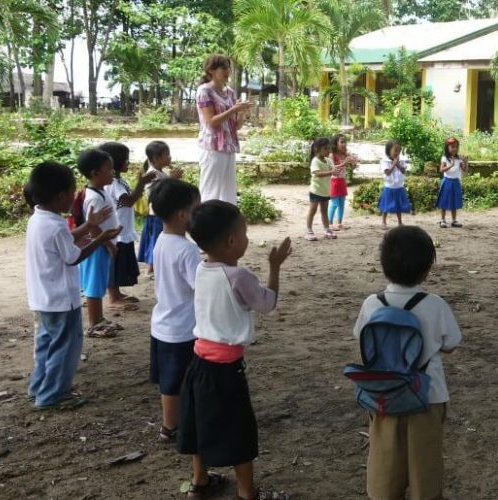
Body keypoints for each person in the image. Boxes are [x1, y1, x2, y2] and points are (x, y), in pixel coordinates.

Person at [178, 201, 292, 500]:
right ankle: (246, 492)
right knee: (240, 431)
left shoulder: (202, 269)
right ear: (231, 241)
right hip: (226, 370)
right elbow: (267, 304)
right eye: (244, 232)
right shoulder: (238, 276)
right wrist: (275, 267)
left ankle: (199, 482)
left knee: (200, 423)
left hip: (199, 362)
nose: (247, 237)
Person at [352, 226, 462, 500]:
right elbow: (451, 344)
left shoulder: (371, 303)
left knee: (385, 460)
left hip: (383, 396)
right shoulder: (435, 304)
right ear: (427, 269)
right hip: (428, 395)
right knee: (425, 463)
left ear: (384, 266)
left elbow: (361, 339)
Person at [24, 161, 120, 410]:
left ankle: (39, 387)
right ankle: (53, 395)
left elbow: (65, 240)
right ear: (59, 196)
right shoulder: (55, 225)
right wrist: (99, 239)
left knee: (47, 343)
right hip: (61, 300)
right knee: (65, 348)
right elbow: (73, 256)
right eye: (72, 192)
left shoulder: (39, 219)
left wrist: (88, 226)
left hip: (43, 298)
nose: (74, 198)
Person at [147, 179, 201, 446]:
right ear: (182, 215)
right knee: (177, 382)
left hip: (163, 324)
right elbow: (200, 287)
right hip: (182, 329)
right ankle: (172, 427)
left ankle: (171, 424)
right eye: (196, 209)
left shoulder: (163, 239)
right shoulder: (187, 250)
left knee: (168, 381)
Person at [99, 141, 156, 310]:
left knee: (118, 265)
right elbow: (129, 201)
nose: (128, 163)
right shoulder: (114, 184)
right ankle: (113, 297)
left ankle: (116, 293)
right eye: (125, 160)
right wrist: (142, 183)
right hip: (117, 232)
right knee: (115, 265)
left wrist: (142, 183)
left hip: (123, 229)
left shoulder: (118, 181)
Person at [77, 149, 124, 338]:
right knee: (94, 286)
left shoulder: (100, 192)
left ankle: (100, 319)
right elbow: (93, 226)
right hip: (96, 246)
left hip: (101, 245)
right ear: (95, 173)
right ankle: (94, 323)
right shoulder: (94, 197)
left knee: (98, 283)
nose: (112, 172)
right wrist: (108, 244)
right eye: (108, 169)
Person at [196, 54, 253, 205]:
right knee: (210, 191)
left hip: (228, 147)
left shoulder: (230, 92)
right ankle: (204, 225)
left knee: (228, 193)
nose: (228, 71)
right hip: (212, 147)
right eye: (224, 67)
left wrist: (241, 112)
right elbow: (211, 122)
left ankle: (224, 226)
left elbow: (236, 126)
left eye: (229, 67)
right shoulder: (204, 91)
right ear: (211, 70)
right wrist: (234, 109)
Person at [138, 141, 181, 276]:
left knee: (156, 238)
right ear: (156, 158)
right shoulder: (153, 173)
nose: (170, 158)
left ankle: (153, 266)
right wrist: (171, 179)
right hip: (156, 213)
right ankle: (151, 268)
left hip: (161, 212)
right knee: (156, 238)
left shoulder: (160, 172)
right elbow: (156, 189)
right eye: (166, 155)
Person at [305, 137, 336, 241]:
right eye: (326, 149)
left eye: (329, 148)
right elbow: (318, 174)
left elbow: (333, 168)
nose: (328, 151)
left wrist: (342, 164)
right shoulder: (315, 161)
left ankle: (327, 230)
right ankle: (309, 231)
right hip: (316, 191)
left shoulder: (328, 160)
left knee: (324, 211)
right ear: (317, 149)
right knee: (312, 210)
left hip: (325, 191)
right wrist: (331, 172)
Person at [378, 139, 412, 229]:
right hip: (389, 187)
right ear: (389, 150)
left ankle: (400, 222)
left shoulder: (401, 160)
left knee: (398, 206)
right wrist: (393, 164)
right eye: (395, 150)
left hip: (399, 187)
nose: (397, 152)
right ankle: (383, 222)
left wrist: (398, 164)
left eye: (399, 150)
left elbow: (404, 171)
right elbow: (387, 173)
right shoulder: (385, 161)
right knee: (386, 205)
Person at [436, 137, 468, 228]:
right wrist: (451, 165)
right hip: (447, 181)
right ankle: (443, 220)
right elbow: (441, 170)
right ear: (447, 147)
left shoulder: (459, 158)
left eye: (456, 147)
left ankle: (454, 220)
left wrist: (465, 162)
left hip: (456, 182)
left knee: (454, 201)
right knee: (444, 201)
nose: (455, 149)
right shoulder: (444, 158)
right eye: (452, 146)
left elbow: (464, 170)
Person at [328, 133, 356, 231]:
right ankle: (329, 223)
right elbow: (333, 169)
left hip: (342, 181)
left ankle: (339, 223)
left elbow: (352, 166)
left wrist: (353, 162)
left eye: (345, 142)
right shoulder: (332, 155)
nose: (344, 144)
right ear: (335, 144)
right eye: (342, 142)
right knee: (334, 203)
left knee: (342, 204)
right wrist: (345, 162)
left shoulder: (345, 154)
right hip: (334, 181)